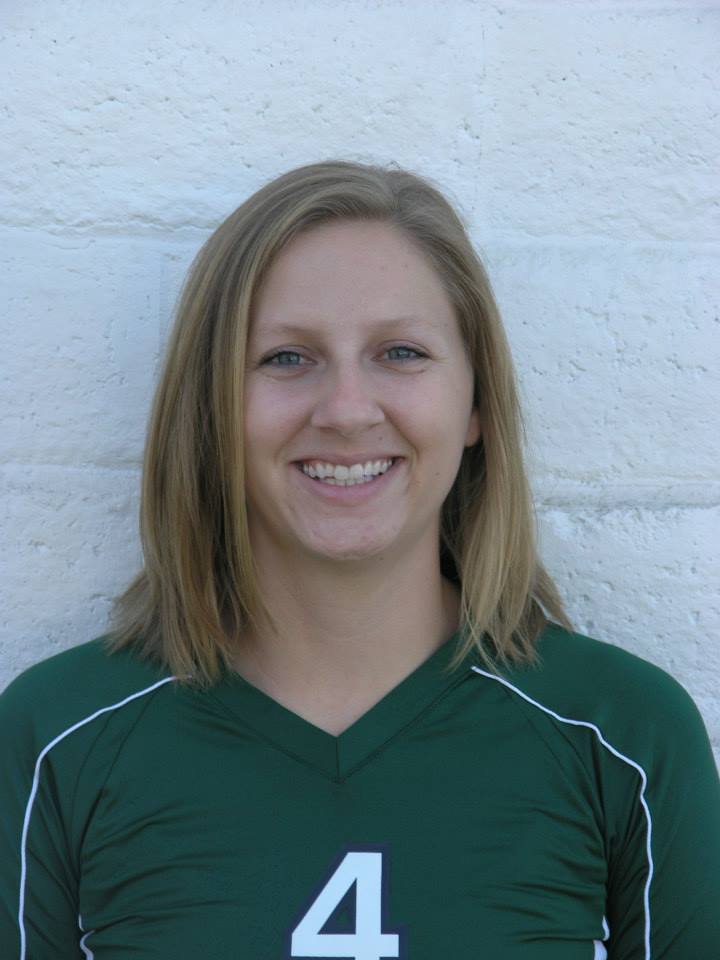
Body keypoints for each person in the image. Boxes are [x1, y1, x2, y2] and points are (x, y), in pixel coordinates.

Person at [1, 160, 718, 960]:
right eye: (286, 358)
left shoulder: (624, 737)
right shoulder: (56, 739)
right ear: (211, 408)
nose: (346, 411)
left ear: (476, 403)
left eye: (401, 352)